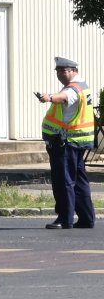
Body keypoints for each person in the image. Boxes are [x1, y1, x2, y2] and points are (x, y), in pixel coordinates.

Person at [35, 55, 96, 230]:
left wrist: (49, 97)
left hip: (66, 142)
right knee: (79, 181)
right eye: (58, 71)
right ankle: (86, 218)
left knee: (64, 181)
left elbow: (63, 97)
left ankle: (65, 218)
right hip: (78, 141)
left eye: (63, 71)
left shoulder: (73, 89)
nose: (60, 74)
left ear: (73, 71)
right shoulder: (83, 85)